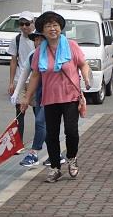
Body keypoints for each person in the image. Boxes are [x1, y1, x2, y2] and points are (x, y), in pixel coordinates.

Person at [19, 11, 92, 183]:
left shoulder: (72, 46)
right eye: (48, 26)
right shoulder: (40, 51)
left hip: (70, 96)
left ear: (60, 28)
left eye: (55, 25)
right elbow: (36, 75)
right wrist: (26, 98)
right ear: (42, 31)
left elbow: (83, 64)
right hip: (50, 98)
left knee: (71, 131)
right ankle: (55, 168)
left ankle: (72, 159)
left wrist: (87, 77)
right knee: (51, 134)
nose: (52, 29)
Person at [14, 30, 49, 168]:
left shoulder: (55, 54)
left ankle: (33, 153)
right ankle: (56, 155)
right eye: (36, 40)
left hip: (54, 96)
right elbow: (25, 74)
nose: (38, 43)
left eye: (41, 40)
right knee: (46, 125)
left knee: (40, 122)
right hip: (40, 94)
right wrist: (18, 94)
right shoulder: (33, 55)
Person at [8, 11, 39, 145]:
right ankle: (18, 143)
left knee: (38, 113)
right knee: (20, 112)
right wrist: (11, 82)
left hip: (36, 80)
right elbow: (14, 61)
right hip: (20, 80)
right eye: (21, 24)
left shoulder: (38, 38)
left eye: (27, 24)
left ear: (33, 23)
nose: (24, 27)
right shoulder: (16, 40)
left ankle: (40, 141)